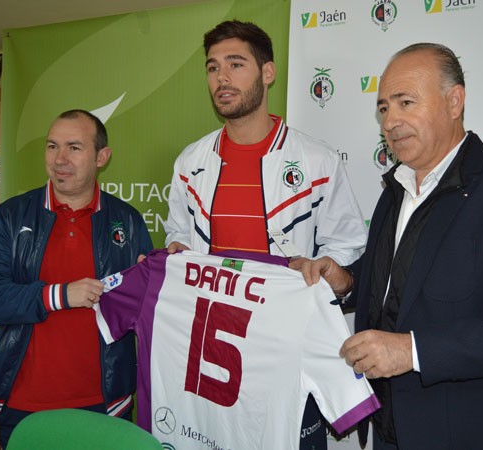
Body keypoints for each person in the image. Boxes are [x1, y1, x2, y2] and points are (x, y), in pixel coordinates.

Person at [297, 43, 483, 450]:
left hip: (471, 436)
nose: (391, 121)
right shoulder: (395, 192)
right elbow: (400, 284)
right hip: (388, 432)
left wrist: (413, 350)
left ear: (454, 100)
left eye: (406, 102)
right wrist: (347, 283)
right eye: (384, 108)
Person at [163, 20, 368, 449]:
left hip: (288, 354)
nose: (221, 77)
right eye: (213, 67)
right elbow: (178, 235)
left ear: (267, 72)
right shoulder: (190, 162)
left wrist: (330, 270)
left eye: (236, 64)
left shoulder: (317, 161)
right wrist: (176, 252)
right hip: (213, 354)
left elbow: (348, 247)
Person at [0, 109, 153, 448]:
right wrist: (58, 296)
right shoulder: (10, 216)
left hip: (104, 402)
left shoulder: (127, 221)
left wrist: (154, 283)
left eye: (74, 148)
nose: (60, 159)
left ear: (102, 157)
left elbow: (143, 310)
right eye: (52, 146)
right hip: (25, 403)